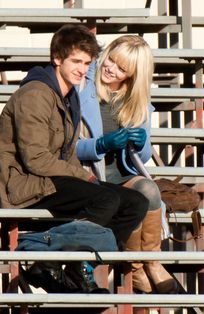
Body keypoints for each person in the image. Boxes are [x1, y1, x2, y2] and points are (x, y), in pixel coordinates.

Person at [0, 25, 149, 293]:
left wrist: (83, 176)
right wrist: (85, 176)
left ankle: (80, 265)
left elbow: (65, 154)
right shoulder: (36, 94)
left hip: (50, 179)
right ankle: (47, 258)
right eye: (76, 61)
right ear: (57, 58)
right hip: (23, 185)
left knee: (135, 202)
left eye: (87, 63)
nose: (83, 69)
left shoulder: (68, 96)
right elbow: (37, 160)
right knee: (106, 198)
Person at [76, 34, 178, 294]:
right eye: (111, 59)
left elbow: (141, 158)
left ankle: (150, 262)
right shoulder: (82, 86)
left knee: (149, 189)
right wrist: (101, 144)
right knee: (134, 198)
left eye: (122, 69)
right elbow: (67, 147)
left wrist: (142, 141)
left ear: (133, 75)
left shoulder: (136, 98)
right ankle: (135, 266)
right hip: (90, 173)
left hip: (121, 174)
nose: (111, 68)